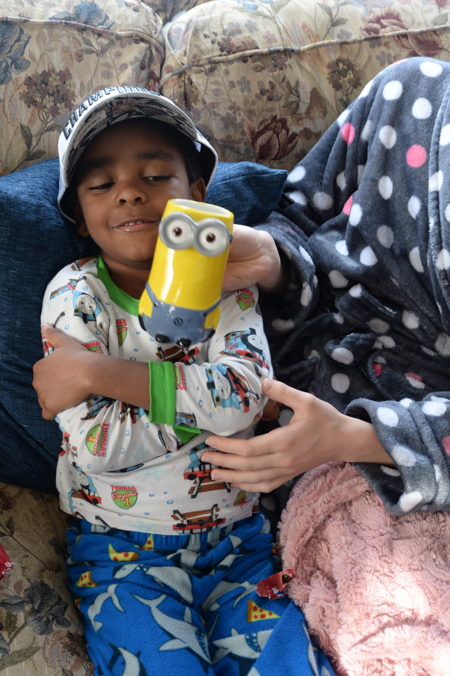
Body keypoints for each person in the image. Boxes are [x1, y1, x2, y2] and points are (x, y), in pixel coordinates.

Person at [33, 86, 333, 675]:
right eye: (102, 184)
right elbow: (98, 446)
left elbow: (246, 396)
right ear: (78, 215)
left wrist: (100, 372)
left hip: (241, 548)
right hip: (120, 552)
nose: (129, 191)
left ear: (196, 195)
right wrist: (210, 405)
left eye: (154, 175)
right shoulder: (75, 295)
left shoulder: (230, 284)